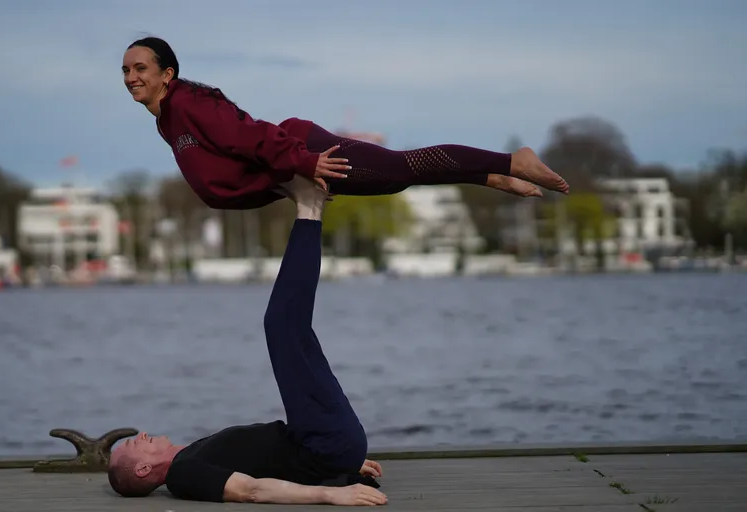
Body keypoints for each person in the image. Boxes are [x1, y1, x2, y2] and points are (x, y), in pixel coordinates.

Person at [107, 175, 388, 506]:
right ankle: (309, 207)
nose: (139, 435)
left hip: (323, 447)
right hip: (323, 442)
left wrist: (341, 469)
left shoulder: (191, 455)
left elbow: (269, 464)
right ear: (142, 469)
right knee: (283, 326)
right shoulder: (184, 474)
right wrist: (331, 493)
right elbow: (251, 490)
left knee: (289, 328)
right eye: (131, 446)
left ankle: (308, 208)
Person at [122, 36, 569, 210]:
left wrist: (304, 162)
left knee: (399, 169)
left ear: (167, 74)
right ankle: (491, 175)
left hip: (304, 152)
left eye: (141, 68)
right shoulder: (168, 119)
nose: (131, 77)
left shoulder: (189, 103)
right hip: (296, 159)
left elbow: (247, 133)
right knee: (397, 174)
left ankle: (513, 161)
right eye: (125, 70)